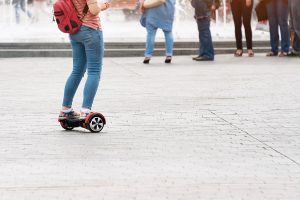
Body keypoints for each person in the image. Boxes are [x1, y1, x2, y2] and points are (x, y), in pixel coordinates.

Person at [58, 0, 110, 120]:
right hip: (90, 30)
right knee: (94, 71)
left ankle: (66, 109)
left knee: (77, 71)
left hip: (74, 30)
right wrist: (104, 5)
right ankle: (85, 111)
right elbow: (94, 10)